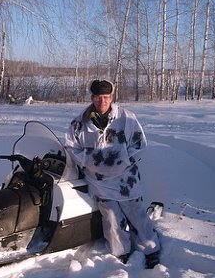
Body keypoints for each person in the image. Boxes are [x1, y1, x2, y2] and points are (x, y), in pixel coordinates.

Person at [64, 79, 160, 269]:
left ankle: (151, 249)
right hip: (99, 182)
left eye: (106, 97)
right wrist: (90, 161)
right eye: (98, 98)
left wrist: (121, 162)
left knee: (137, 216)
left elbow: (139, 145)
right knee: (111, 219)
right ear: (92, 98)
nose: (102, 102)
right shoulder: (79, 123)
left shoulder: (126, 118)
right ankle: (121, 251)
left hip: (126, 181)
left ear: (112, 97)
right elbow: (71, 147)